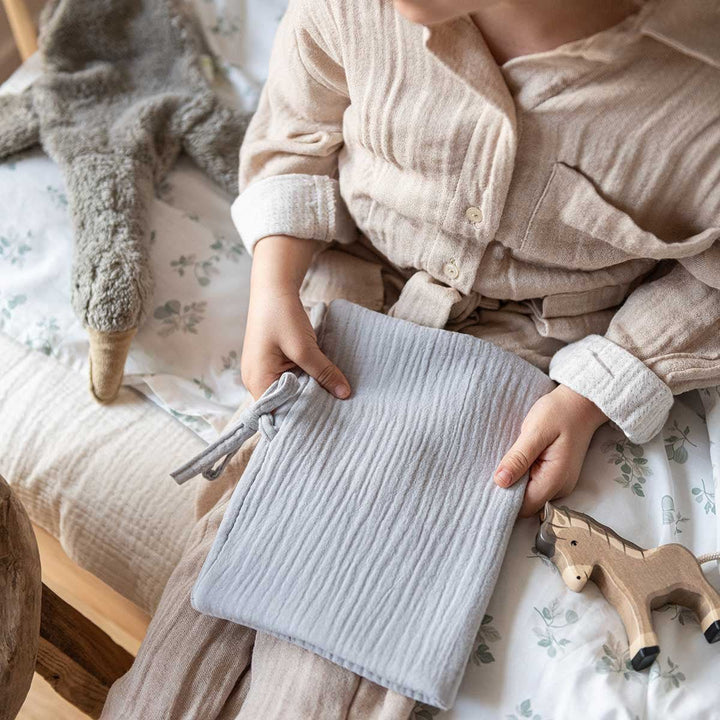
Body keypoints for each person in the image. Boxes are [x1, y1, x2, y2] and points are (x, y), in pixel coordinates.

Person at [102, 1, 720, 717]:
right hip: (354, 294)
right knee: (210, 594)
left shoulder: (698, 84)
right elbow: (297, 120)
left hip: (515, 352)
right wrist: (276, 280)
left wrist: (594, 393)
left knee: (344, 656)